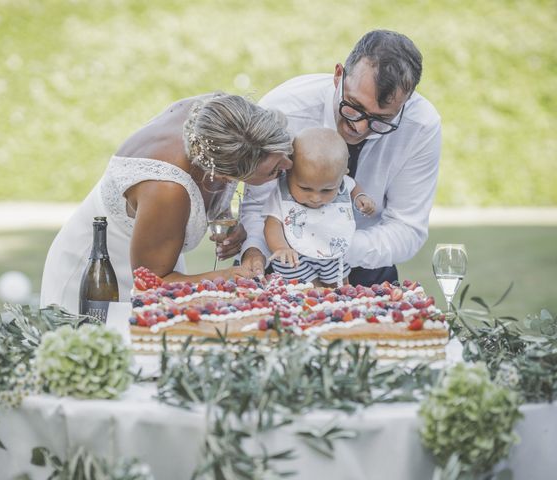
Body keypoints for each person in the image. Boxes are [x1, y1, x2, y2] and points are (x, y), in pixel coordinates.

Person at [40, 93, 293, 313]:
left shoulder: (223, 121)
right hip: (99, 275)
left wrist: (223, 214)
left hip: (159, 252)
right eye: (275, 171)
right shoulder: (167, 189)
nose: (289, 165)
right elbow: (151, 284)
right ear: (227, 173)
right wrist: (226, 276)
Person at [239, 29, 442, 286]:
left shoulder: (421, 126)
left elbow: (406, 227)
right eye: (354, 107)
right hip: (281, 261)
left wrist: (331, 247)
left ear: (406, 103)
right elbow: (258, 206)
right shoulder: (285, 110)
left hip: (366, 261)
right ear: (338, 75)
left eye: (381, 119)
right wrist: (255, 249)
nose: (360, 128)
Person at [264, 127, 375, 287]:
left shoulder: (343, 183)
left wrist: (360, 197)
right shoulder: (283, 194)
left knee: (340, 290)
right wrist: (280, 247)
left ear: (343, 175)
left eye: (327, 190)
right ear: (289, 172)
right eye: (305, 188)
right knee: (306, 294)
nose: (316, 198)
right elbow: (272, 224)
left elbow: (352, 186)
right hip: (295, 257)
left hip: (331, 252)